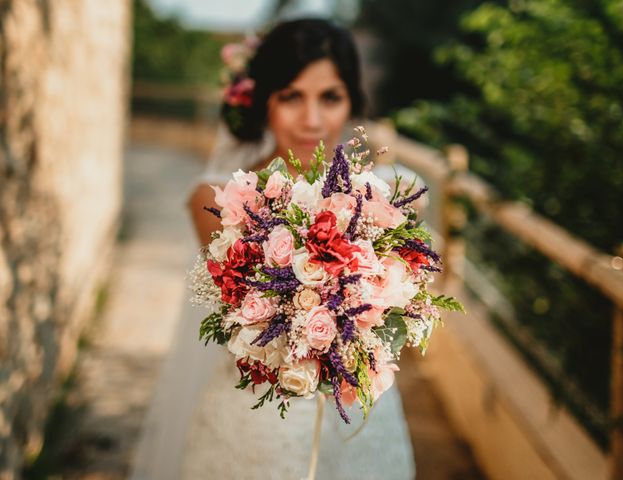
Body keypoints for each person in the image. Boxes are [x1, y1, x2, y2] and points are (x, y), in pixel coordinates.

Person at [131, 18, 416, 480]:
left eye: (330, 97)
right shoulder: (217, 198)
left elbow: (402, 309)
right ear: (263, 100)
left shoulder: (381, 195)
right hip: (260, 422)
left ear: (352, 102)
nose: (312, 119)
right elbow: (253, 313)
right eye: (291, 97)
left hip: (362, 410)